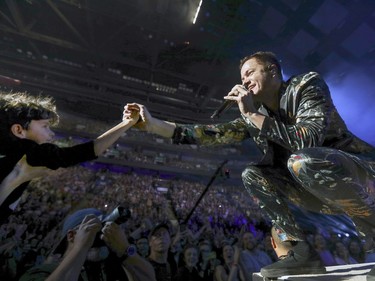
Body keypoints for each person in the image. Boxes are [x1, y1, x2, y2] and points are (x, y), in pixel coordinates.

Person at [123, 50, 375, 278]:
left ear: (273, 71)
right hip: (322, 192)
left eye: (250, 72)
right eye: (242, 76)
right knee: (253, 174)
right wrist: (154, 125)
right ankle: (301, 253)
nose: (244, 80)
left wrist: (251, 114)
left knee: (302, 160)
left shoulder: (306, 85)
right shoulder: (256, 115)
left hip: (361, 176)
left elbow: (307, 139)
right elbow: (209, 134)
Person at [0, 91, 138, 223]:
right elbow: (88, 151)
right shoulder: (30, 151)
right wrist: (127, 123)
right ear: (19, 130)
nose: (51, 133)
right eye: (45, 126)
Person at [19, 208, 156, 281]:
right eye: (93, 229)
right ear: (72, 236)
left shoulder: (110, 270)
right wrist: (81, 248)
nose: (99, 236)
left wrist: (124, 251)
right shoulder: (43, 271)